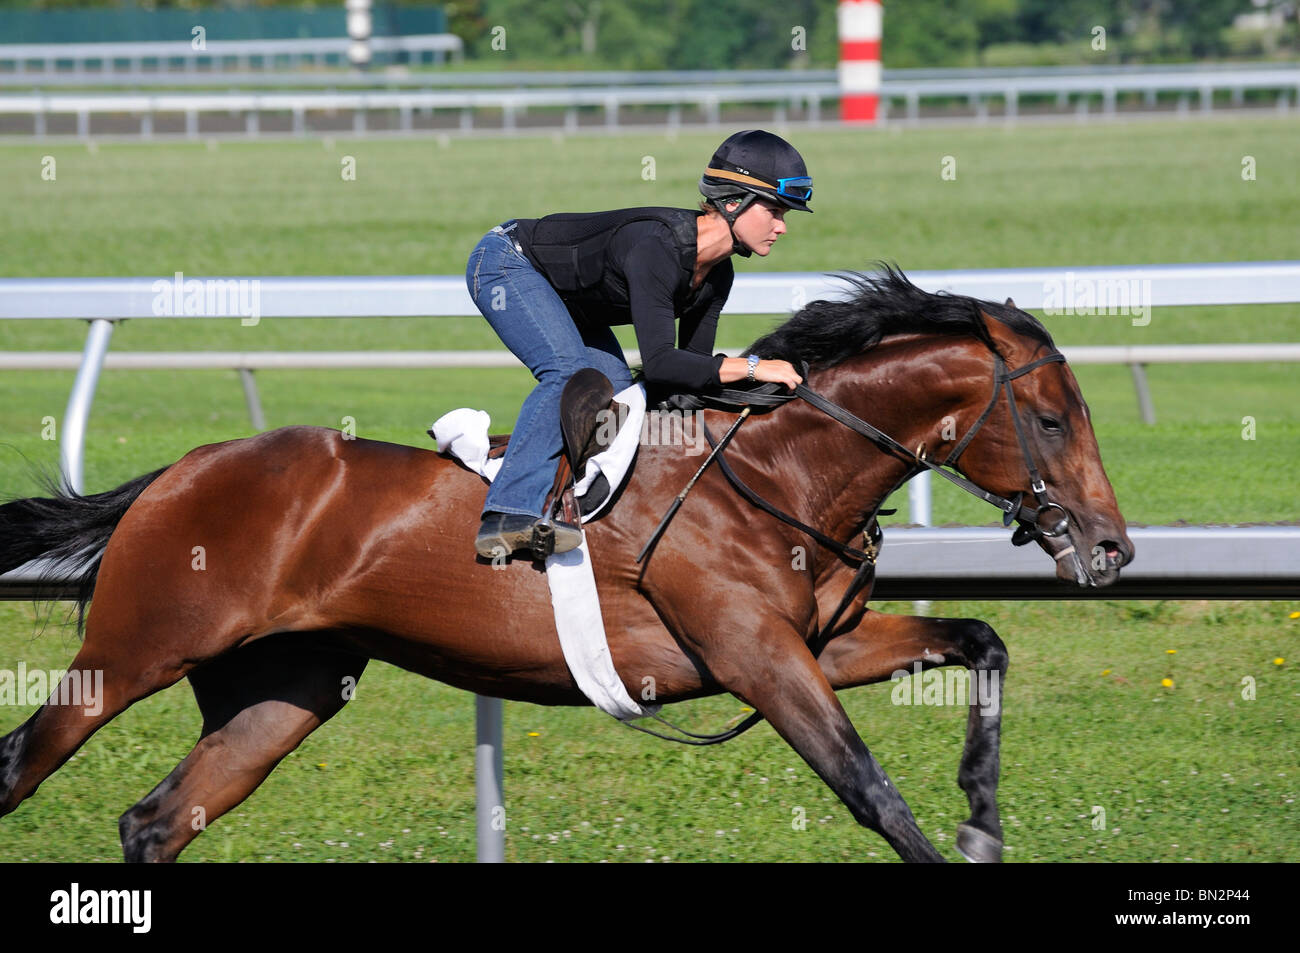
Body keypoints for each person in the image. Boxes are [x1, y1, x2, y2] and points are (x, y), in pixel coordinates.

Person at [464, 129, 811, 559]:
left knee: (614, 391)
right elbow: (663, 362)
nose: (782, 227)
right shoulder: (658, 249)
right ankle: (507, 513)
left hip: (570, 298)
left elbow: (686, 375)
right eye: (775, 211)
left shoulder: (718, 275)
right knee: (568, 373)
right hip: (507, 262)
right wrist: (756, 366)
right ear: (733, 201)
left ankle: (567, 498)